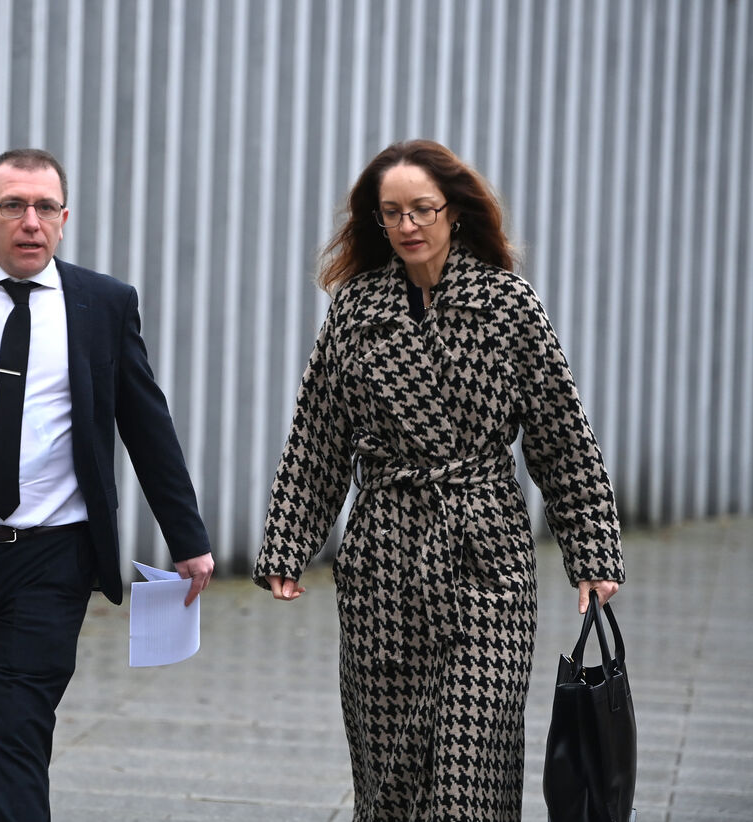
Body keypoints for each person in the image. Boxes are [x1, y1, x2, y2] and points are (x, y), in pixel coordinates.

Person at [252, 139, 624, 821]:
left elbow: (562, 437)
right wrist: (288, 543)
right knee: (390, 775)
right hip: (384, 564)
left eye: (422, 209)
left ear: (454, 211)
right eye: (392, 212)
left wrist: (593, 553)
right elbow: (318, 436)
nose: (408, 225)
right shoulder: (356, 311)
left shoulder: (508, 305)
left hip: (485, 556)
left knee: (469, 766)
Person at [0, 148, 214, 821]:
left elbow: (148, 426)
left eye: (45, 207)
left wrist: (188, 537)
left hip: (53, 558)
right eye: (13, 206)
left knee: (17, 731)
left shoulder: (103, 304)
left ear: (64, 218)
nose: (31, 221)